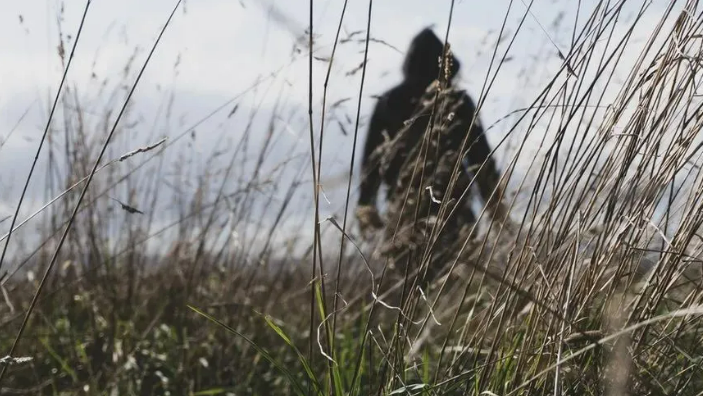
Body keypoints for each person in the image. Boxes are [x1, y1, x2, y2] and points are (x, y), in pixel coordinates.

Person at [355, 28, 507, 283]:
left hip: (402, 213)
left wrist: (366, 205)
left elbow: (371, 163)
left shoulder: (388, 102)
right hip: (454, 212)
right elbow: (482, 160)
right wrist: (495, 208)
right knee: (451, 286)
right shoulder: (458, 101)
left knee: (407, 286)